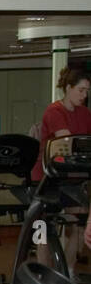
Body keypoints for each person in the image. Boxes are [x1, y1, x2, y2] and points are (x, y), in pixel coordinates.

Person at [34, 67, 91, 267]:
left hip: (72, 178)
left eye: (87, 91)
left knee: (78, 223)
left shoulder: (85, 113)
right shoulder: (54, 111)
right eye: (81, 90)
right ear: (68, 88)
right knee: (42, 228)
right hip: (46, 177)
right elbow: (66, 144)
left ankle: (67, 272)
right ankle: (42, 271)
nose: (85, 95)